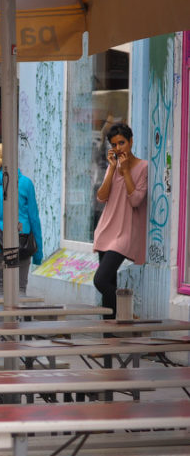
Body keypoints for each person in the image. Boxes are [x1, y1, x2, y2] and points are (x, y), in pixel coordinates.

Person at [92, 123, 148, 319]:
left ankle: (125, 312)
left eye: (122, 143)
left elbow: (135, 200)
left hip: (124, 233)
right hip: (106, 230)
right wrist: (114, 168)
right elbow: (101, 197)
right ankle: (110, 342)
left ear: (131, 141)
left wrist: (125, 172)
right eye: (114, 145)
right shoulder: (112, 167)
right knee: (109, 284)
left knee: (99, 281)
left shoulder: (143, 167)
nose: (118, 148)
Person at [0, 143, 44, 295]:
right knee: (20, 289)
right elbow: (34, 219)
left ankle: (2, 319)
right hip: (23, 243)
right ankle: (19, 319)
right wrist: (38, 253)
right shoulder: (26, 184)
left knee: (1, 290)